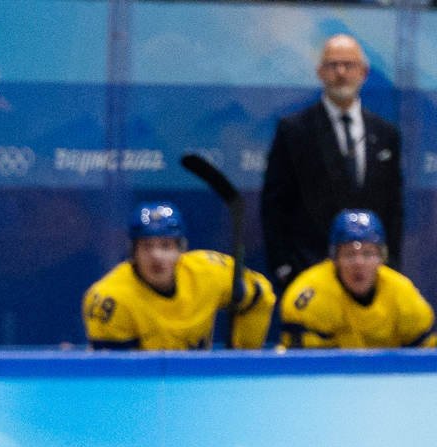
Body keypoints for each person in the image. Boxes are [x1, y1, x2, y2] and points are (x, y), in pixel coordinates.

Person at [260, 34, 403, 298]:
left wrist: (389, 264)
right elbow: (274, 206)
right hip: (310, 274)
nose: (341, 72)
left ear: (363, 72)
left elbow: (393, 207)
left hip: (372, 278)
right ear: (320, 72)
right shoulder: (294, 130)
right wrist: (285, 268)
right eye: (332, 65)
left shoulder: (386, 134)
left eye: (348, 65)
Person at [83, 202, 273, 351]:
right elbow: (116, 378)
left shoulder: (209, 271)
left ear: (181, 250)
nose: (156, 256)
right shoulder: (111, 298)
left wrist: (243, 356)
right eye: (147, 247)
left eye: (166, 246)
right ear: (133, 252)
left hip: (199, 389)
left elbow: (261, 296)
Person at [277, 209, 435, 350]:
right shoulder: (311, 293)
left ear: (382, 258)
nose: (359, 263)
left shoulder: (402, 292)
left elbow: (428, 358)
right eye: (349, 254)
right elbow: (302, 367)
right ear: (334, 259)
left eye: (368, 254)